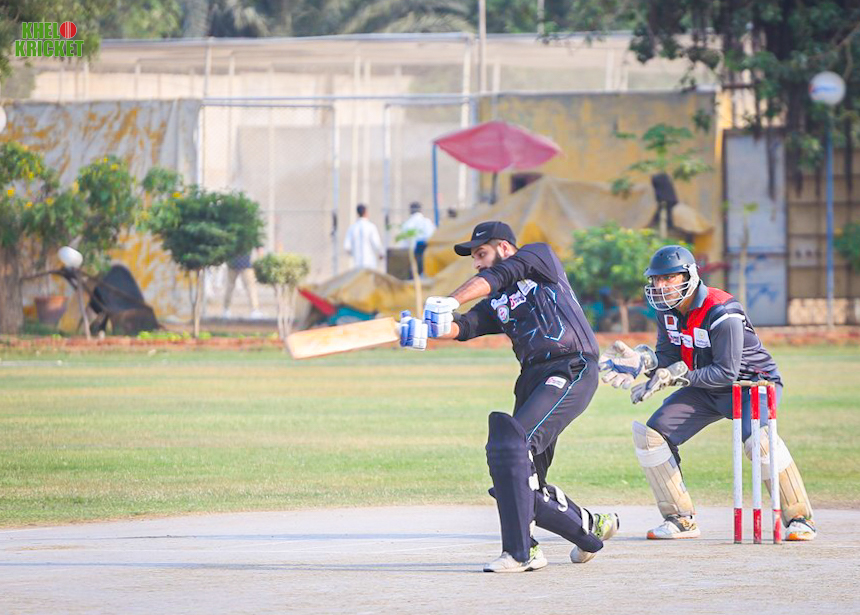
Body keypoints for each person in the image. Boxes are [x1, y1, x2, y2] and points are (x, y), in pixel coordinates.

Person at [398, 220, 620, 573]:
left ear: (503, 247)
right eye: (474, 257)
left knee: (512, 448)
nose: (476, 262)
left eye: (481, 253)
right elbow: (467, 326)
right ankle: (589, 525)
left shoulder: (538, 258)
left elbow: (502, 274)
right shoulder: (497, 300)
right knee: (516, 478)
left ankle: (522, 552)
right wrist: (428, 331)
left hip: (570, 367)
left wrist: (450, 299)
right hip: (532, 379)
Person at [598, 245, 816, 541]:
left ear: (689, 276)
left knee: (759, 441)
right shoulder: (667, 311)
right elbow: (668, 356)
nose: (660, 286)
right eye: (656, 279)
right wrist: (643, 362)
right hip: (703, 386)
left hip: (750, 385)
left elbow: (726, 371)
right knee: (652, 437)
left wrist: (679, 376)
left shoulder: (721, 311)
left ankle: (800, 518)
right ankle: (680, 519)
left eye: (669, 278)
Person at [397, 202, 436, 277]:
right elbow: (433, 237)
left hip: (412, 255)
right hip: (427, 254)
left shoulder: (407, 224)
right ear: (421, 210)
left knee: (413, 276)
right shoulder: (427, 222)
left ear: (410, 210)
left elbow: (403, 244)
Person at [344, 203, 384, 271]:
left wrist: (354, 253)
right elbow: (376, 243)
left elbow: (347, 247)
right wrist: (381, 253)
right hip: (370, 263)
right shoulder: (371, 227)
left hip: (357, 264)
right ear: (366, 212)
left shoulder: (352, 228)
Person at [222, 251, 262, 319]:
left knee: (230, 286)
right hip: (245, 262)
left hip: (233, 262)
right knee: (250, 287)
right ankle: (254, 310)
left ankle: (226, 309)